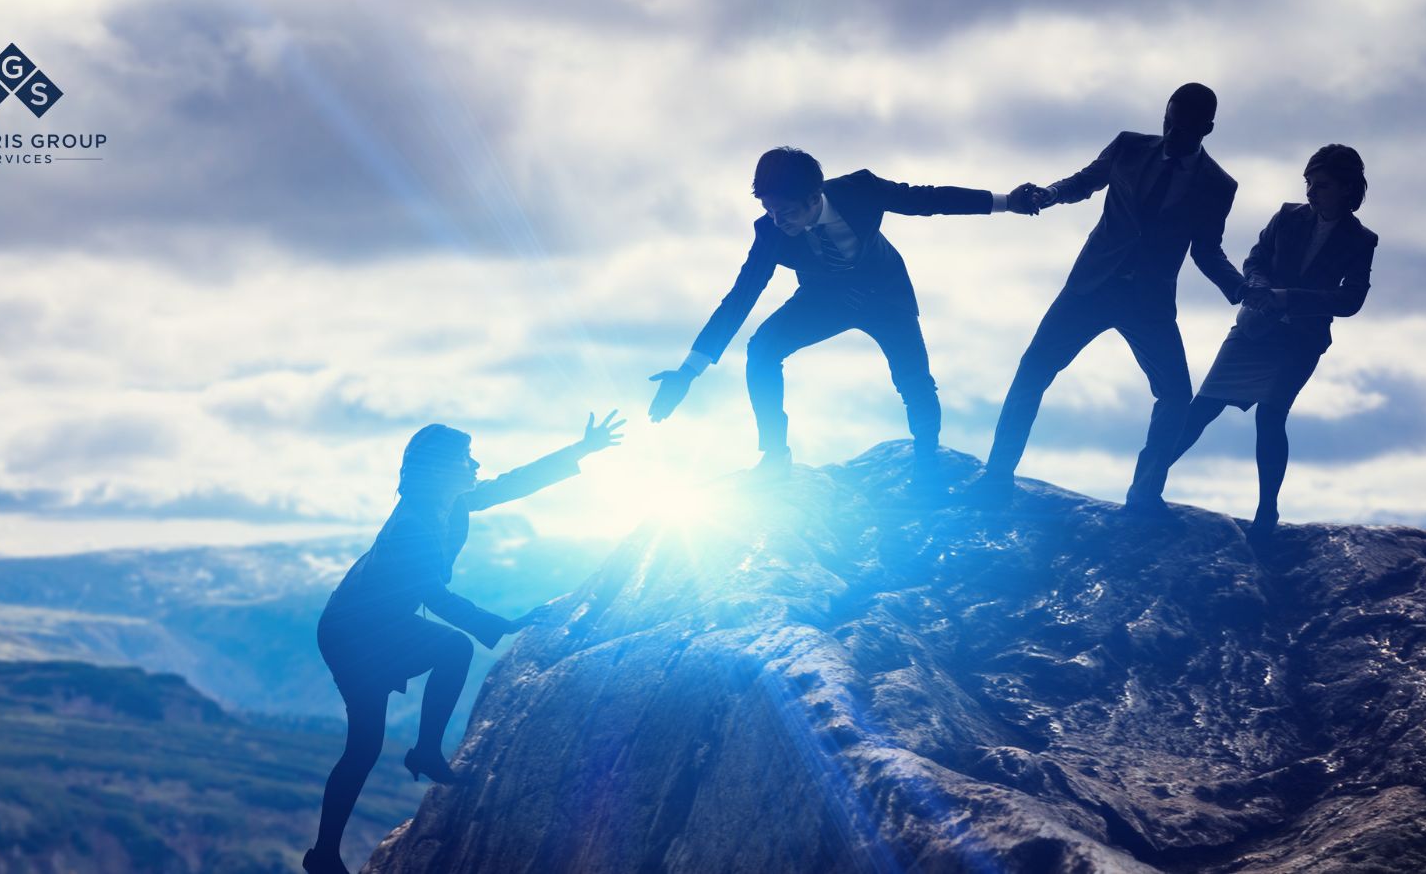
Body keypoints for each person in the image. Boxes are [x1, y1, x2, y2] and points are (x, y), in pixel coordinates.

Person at [303, 412, 623, 874]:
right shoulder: (413, 523)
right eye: (465, 459)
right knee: (369, 739)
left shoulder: (447, 503)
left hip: (378, 622)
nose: (475, 466)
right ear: (438, 469)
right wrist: (504, 623)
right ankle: (327, 853)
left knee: (386, 721)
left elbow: (512, 483)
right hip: (353, 634)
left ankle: (422, 755)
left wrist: (579, 450)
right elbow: (435, 595)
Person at [647, 146, 1043, 491]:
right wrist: (688, 372)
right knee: (762, 349)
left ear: (814, 196)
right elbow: (740, 298)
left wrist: (1008, 201)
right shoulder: (769, 233)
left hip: (884, 293)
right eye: (767, 209)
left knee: (914, 380)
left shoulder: (861, 189)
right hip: (825, 298)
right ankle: (775, 455)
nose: (775, 219)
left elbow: (929, 200)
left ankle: (927, 465)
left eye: (783, 211)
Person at [968, 83, 1260, 512]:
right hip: (1091, 286)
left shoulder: (1219, 185)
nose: (1171, 132)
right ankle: (996, 480)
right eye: (1168, 121)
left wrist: (1240, 289)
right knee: (1032, 371)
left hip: (1149, 302)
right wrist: (1047, 195)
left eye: (1183, 127)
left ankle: (1144, 496)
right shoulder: (1128, 146)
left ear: (1207, 128)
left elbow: (1207, 250)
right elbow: (1085, 181)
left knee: (1176, 396)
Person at [1165, 145, 1376, 546]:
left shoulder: (1361, 240)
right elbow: (1255, 259)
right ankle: (1147, 483)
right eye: (1309, 183)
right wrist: (1260, 286)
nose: (1312, 192)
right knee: (1202, 408)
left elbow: (1351, 300)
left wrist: (1288, 298)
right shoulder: (1286, 215)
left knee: (1271, 416)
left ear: (1348, 189)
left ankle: (1266, 513)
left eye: (1322, 185)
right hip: (1254, 329)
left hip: (1300, 341)